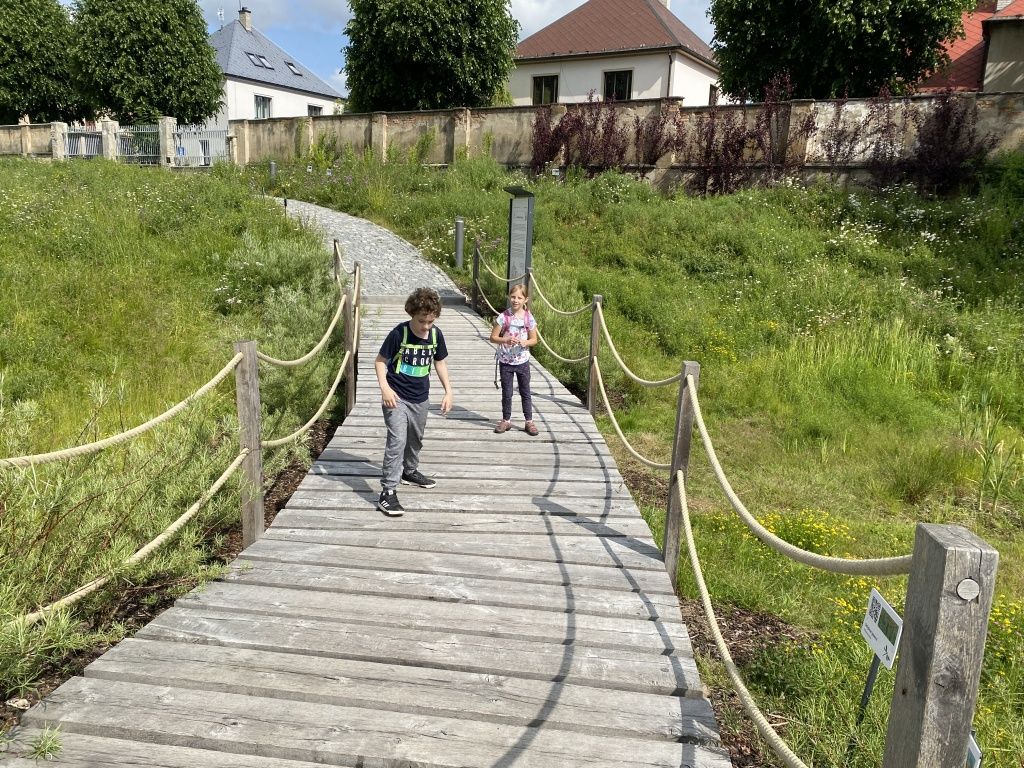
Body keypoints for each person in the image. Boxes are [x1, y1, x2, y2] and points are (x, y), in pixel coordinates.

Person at [374, 288, 452, 516]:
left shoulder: (435, 335)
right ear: (412, 314)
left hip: (421, 398)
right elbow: (380, 362)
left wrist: (448, 391)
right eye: (421, 321)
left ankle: (409, 471)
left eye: (430, 322)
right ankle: (388, 491)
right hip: (396, 397)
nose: (426, 327)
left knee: (415, 438)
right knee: (397, 440)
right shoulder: (399, 334)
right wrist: (385, 388)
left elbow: (440, 362)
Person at [490, 283, 539, 436]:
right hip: (506, 361)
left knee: (525, 391)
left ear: (526, 300)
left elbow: (534, 339)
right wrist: (505, 340)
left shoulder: (529, 318)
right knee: (507, 392)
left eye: (519, 298)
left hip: (522, 361)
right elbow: (493, 337)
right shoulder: (503, 317)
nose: (516, 300)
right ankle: (506, 420)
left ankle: (529, 421)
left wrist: (525, 342)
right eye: (513, 297)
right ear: (509, 297)